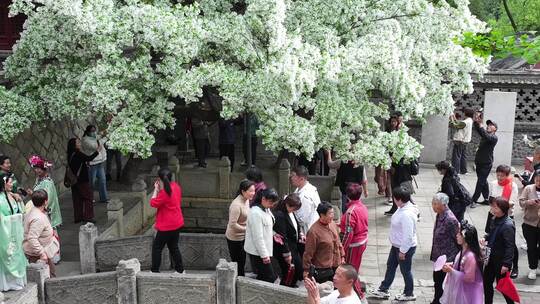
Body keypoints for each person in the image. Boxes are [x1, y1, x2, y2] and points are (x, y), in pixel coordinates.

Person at [371, 186, 417, 301]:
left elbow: (408, 236)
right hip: (397, 245)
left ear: (400, 199)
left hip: (404, 247)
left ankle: (409, 293)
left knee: (405, 271)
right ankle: (384, 289)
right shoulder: (402, 208)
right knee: (391, 266)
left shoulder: (407, 214)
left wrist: (403, 251)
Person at [149, 168, 185, 273]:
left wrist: (156, 190)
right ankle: (180, 270)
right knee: (173, 247)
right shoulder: (176, 187)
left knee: (157, 248)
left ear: (160, 180)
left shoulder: (164, 193)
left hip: (166, 225)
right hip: (177, 222)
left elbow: (153, 203)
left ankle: (154, 270)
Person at [486, 165, 519, 278]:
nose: (500, 177)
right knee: (490, 236)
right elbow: (490, 197)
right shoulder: (493, 183)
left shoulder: (512, 186)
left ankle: (514, 265)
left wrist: (500, 205)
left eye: (502, 175)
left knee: (510, 243)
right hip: (493, 214)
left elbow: (512, 202)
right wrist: (493, 205)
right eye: (498, 174)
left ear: (507, 175)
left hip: (507, 215)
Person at [440, 221, 484, 304]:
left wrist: (451, 271)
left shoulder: (470, 256)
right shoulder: (463, 250)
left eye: (459, 234)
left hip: (467, 293)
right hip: (461, 290)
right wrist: (452, 266)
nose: (457, 235)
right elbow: (461, 266)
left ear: (465, 238)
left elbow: (469, 278)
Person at [483, 197, 515, 304]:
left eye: (495, 207)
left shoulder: (508, 225)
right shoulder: (494, 219)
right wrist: (485, 238)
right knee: (487, 283)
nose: (492, 209)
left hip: (501, 262)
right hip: (490, 258)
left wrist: (506, 264)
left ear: (502, 209)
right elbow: (491, 233)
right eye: (492, 206)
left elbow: (510, 247)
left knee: (503, 287)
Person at [303, 202, 344, 283]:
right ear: (322, 215)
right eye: (330, 213)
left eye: (333, 213)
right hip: (323, 268)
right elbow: (308, 252)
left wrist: (342, 256)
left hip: (336, 264)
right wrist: (306, 269)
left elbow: (338, 242)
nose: (332, 216)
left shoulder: (332, 224)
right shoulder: (313, 231)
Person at [430, 193, 460, 304]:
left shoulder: (450, 220)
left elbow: (458, 239)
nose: (433, 206)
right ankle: (437, 300)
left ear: (444, 205)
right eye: (433, 203)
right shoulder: (439, 214)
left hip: (447, 258)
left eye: (435, 204)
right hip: (439, 256)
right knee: (437, 281)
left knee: (441, 282)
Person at [340, 183, 368, 300]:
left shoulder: (350, 212)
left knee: (351, 271)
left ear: (347, 196)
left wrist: (342, 249)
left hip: (354, 245)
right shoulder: (362, 207)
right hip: (362, 241)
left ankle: (358, 294)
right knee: (354, 268)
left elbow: (348, 234)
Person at [244, 188, 279, 283]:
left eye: (273, 203)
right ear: (263, 199)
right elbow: (257, 237)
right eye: (271, 202)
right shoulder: (255, 213)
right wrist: (264, 255)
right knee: (270, 277)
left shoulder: (265, 209)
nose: (272, 205)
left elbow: (268, 226)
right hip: (257, 251)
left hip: (265, 248)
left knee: (264, 275)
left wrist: (274, 234)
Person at [0, 172, 27, 291]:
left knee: (18, 255)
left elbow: (20, 211)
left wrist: (19, 201)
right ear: (3, 183)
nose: (12, 184)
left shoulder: (12, 195)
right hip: (5, 233)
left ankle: (17, 281)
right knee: (8, 255)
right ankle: (8, 284)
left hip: (15, 232)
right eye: (10, 182)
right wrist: (15, 218)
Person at [23, 190, 57, 277]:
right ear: (45, 201)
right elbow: (32, 238)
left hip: (41, 252)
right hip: (38, 255)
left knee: (51, 276)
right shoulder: (38, 218)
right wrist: (42, 253)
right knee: (49, 278)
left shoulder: (34, 212)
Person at [225, 179, 256, 276]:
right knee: (238, 262)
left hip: (243, 235)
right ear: (243, 191)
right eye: (250, 191)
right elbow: (232, 224)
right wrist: (247, 229)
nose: (253, 193)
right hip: (234, 238)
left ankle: (241, 278)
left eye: (254, 190)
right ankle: (239, 280)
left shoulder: (246, 200)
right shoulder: (236, 205)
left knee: (242, 260)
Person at [273, 193, 303, 287]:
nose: (294, 211)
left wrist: (300, 234)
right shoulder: (280, 215)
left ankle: (291, 285)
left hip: (294, 245)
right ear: (287, 205)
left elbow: (296, 225)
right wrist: (287, 254)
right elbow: (282, 236)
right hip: (286, 247)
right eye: (294, 208)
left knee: (297, 269)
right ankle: (286, 288)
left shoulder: (290, 212)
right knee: (289, 271)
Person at [67, 138, 99, 223]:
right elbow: (89, 158)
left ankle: (78, 217)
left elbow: (77, 164)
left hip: (74, 180)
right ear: (74, 144)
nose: (79, 143)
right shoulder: (78, 153)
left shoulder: (70, 154)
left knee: (77, 199)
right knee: (88, 197)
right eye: (78, 142)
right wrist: (97, 151)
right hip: (82, 180)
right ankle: (88, 217)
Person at [26, 155, 62, 229]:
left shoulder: (47, 182)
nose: (37, 170)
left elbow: (47, 199)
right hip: (41, 210)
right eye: (35, 168)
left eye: (39, 168)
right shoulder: (39, 179)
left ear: (44, 168)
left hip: (46, 212)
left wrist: (33, 194)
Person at [471, 115, 498, 205]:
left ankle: (474, 200)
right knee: (482, 180)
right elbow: (479, 130)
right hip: (479, 162)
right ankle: (487, 199)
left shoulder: (494, 138)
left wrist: (482, 127)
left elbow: (486, 136)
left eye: (491, 125)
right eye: (488, 125)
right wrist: (476, 122)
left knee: (480, 182)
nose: (488, 126)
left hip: (486, 163)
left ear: (495, 129)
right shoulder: (485, 135)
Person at [518, 171, 540, 280]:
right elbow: (521, 202)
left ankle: (537, 264)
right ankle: (532, 268)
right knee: (531, 247)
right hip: (529, 223)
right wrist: (528, 202)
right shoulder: (529, 189)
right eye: (537, 180)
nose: (539, 183)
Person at [81, 125, 109, 204]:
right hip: (92, 163)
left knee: (102, 180)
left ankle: (104, 198)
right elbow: (95, 146)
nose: (94, 132)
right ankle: (90, 198)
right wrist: (106, 138)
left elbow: (99, 136)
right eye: (92, 131)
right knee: (91, 183)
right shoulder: (85, 140)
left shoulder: (94, 137)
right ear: (88, 132)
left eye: (94, 131)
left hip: (99, 162)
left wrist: (105, 132)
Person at [291, 166, 321, 234]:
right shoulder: (300, 189)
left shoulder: (306, 195)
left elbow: (302, 220)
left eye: (293, 176)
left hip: (307, 231)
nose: (291, 178)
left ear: (301, 179)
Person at [449, 108, 474, 175]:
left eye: (464, 112)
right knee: (463, 156)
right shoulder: (470, 120)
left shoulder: (465, 122)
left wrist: (451, 119)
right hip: (465, 141)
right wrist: (454, 118)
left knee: (456, 157)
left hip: (460, 141)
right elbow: (459, 123)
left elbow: (455, 126)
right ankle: (463, 170)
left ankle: (456, 171)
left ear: (466, 113)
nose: (462, 113)